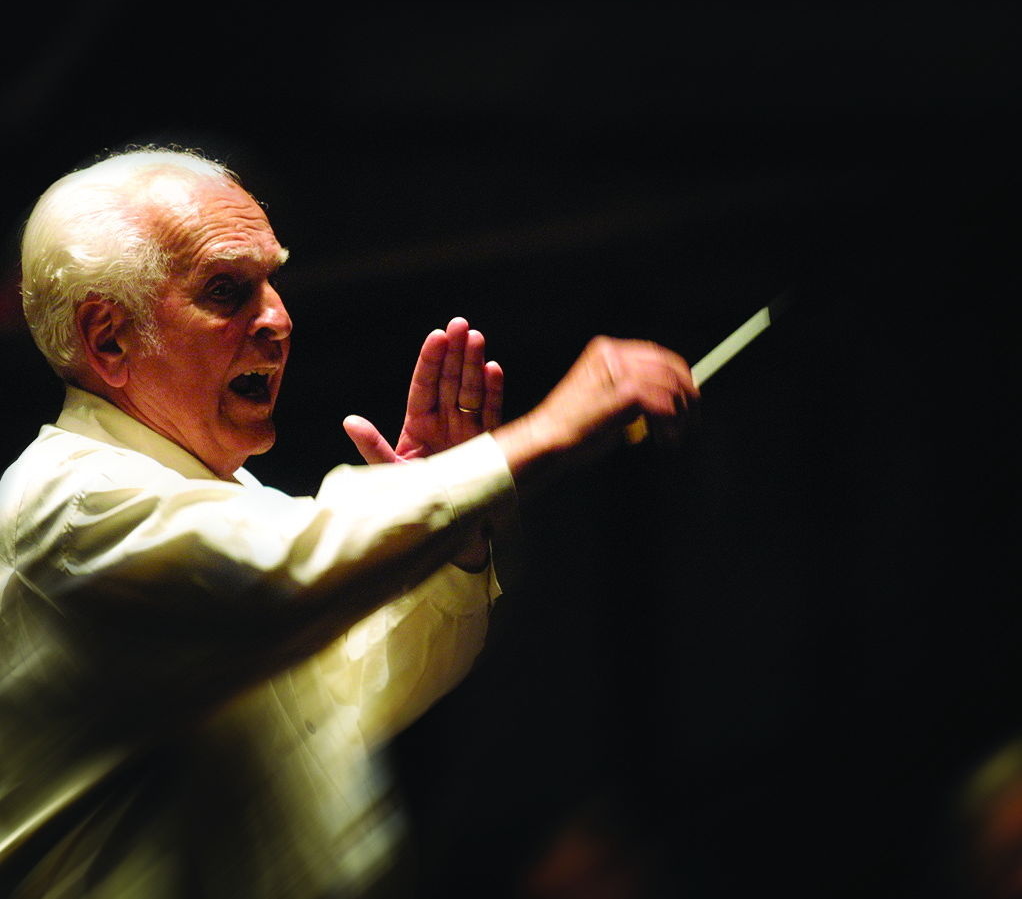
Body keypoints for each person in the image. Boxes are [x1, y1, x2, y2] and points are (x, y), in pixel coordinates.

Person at [0, 148, 698, 898]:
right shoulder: (71, 505)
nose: (278, 318)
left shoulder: (217, 492)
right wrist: (546, 432)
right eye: (227, 290)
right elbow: (289, 568)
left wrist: (453, 538)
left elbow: (361, 689)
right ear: (109, 338)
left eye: (272, 281)